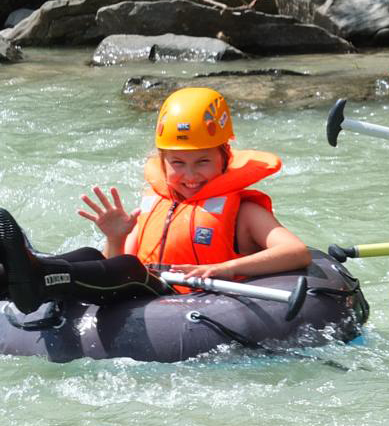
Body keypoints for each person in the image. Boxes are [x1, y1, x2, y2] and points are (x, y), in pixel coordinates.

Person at [0, 87, 311, 315]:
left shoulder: (245, 212)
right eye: (178, 163)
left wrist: (224, 268)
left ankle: (36, 276)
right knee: (90, 254)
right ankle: (17, 274)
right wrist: (116, 236)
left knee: (130, 269)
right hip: (142, 290)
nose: (190, 175)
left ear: (225, 158)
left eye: (203, 162)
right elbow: (110, 265)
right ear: (162, 163)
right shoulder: (155, 203)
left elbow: (296, 252)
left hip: (189, 299)